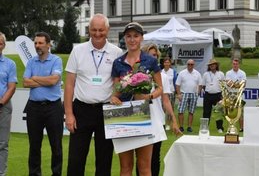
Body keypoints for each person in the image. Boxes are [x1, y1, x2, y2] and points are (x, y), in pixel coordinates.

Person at [64, 14, 123, 175]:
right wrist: (69, 114)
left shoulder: (116, 52)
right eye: (94, 30)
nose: (97, 34)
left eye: (101, 30)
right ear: (89, 30)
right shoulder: (77, 51)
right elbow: (69, 84)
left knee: (104, 160)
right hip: (81, 110)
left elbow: (120, 82)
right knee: (76, 159)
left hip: (106, 110)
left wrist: (116, 94)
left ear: (108, 30)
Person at [110, 22, 164, 176]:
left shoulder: (150, 61)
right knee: (125, 167)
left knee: (144, 167)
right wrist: (114, 98)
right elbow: (116, 91)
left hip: (144, 114)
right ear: (124, 39)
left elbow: (160, 88)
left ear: (141, 38)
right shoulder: (118, 63)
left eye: (135, 36)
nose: (132, 39)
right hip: (124, 116)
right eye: (128, 36)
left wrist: (149, 96)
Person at [23, 32, 63, 176]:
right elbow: (25, 82)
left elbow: (54, 81)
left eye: (40, 43)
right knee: (34, 146)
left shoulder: (56, 60)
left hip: (53, 108)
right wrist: (45, 80)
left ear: (48, 44)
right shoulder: (31, 62)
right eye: (35, 43)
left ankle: (56, 173)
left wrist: (35, 78)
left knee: (56, 146)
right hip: (34, 108)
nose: (37, 46)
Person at [138, 43, 181, 176]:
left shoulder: (163, 76)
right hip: (141, 118)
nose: (154, 57)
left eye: (156, 55)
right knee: (140, 159)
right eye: (151, 55)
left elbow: (166, 100)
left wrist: (173, 120)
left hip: (157, 120)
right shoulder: (137, 74)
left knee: (155, 157)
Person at [0, 32, 17, 176]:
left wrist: (0, 103)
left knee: (2, 144)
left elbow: (11, 86)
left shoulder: (10, 64)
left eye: (0, 43)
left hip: (3, 107)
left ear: (4, 45)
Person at [176, 59, 202, 133]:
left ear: (194, 65)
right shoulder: (182, 73)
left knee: (191, 111)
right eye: (189, 64)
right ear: (186, 65)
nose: (190, 66)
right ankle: (181, 126)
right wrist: (178, 94)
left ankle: (189, 127)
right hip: (183, 94)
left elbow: (200, 85)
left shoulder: (197, 73)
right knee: (181, 111)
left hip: (193, 94)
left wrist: (198, 93)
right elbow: (177, 84)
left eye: (192, 64)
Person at [202, 59, 225, 133]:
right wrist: (209, 90)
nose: (212, 66)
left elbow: (223, 86)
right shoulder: (206, 74)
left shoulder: (221, 74)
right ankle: (205, 128)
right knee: (206, 112)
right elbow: (204, 86)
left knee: (218, 112)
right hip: (208, 95)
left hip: (218, 95)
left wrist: (222, 96)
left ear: (216, 65)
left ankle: (219, 128)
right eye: (210, 65)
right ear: (209, 66)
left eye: (213, 64)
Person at [225, 58, 246, 132]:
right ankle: (231, 128)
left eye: (236, 64)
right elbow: (228, 84)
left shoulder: (242, 73)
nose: (235, 65)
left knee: (240, 112)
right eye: (234, 64)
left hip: (239, 94)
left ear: (238, 64)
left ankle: (241, 128)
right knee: (231, 112)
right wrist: (237, 84)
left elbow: (243, 84)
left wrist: (234, 84)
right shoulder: (228, 73)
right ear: (232, 64)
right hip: (230, 94)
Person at [161, 57, 177, 130]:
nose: (166, 64)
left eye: (168, 62)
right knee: (163, 109)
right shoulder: (161, 72)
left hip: (171, 92)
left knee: (170, 109)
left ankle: (168, 124)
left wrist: (176, 92)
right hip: (163, 92)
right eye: (165, 62)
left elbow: (175, 82)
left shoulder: (173, 72)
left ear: (170, 63)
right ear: (163, 63)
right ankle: (162, 123)